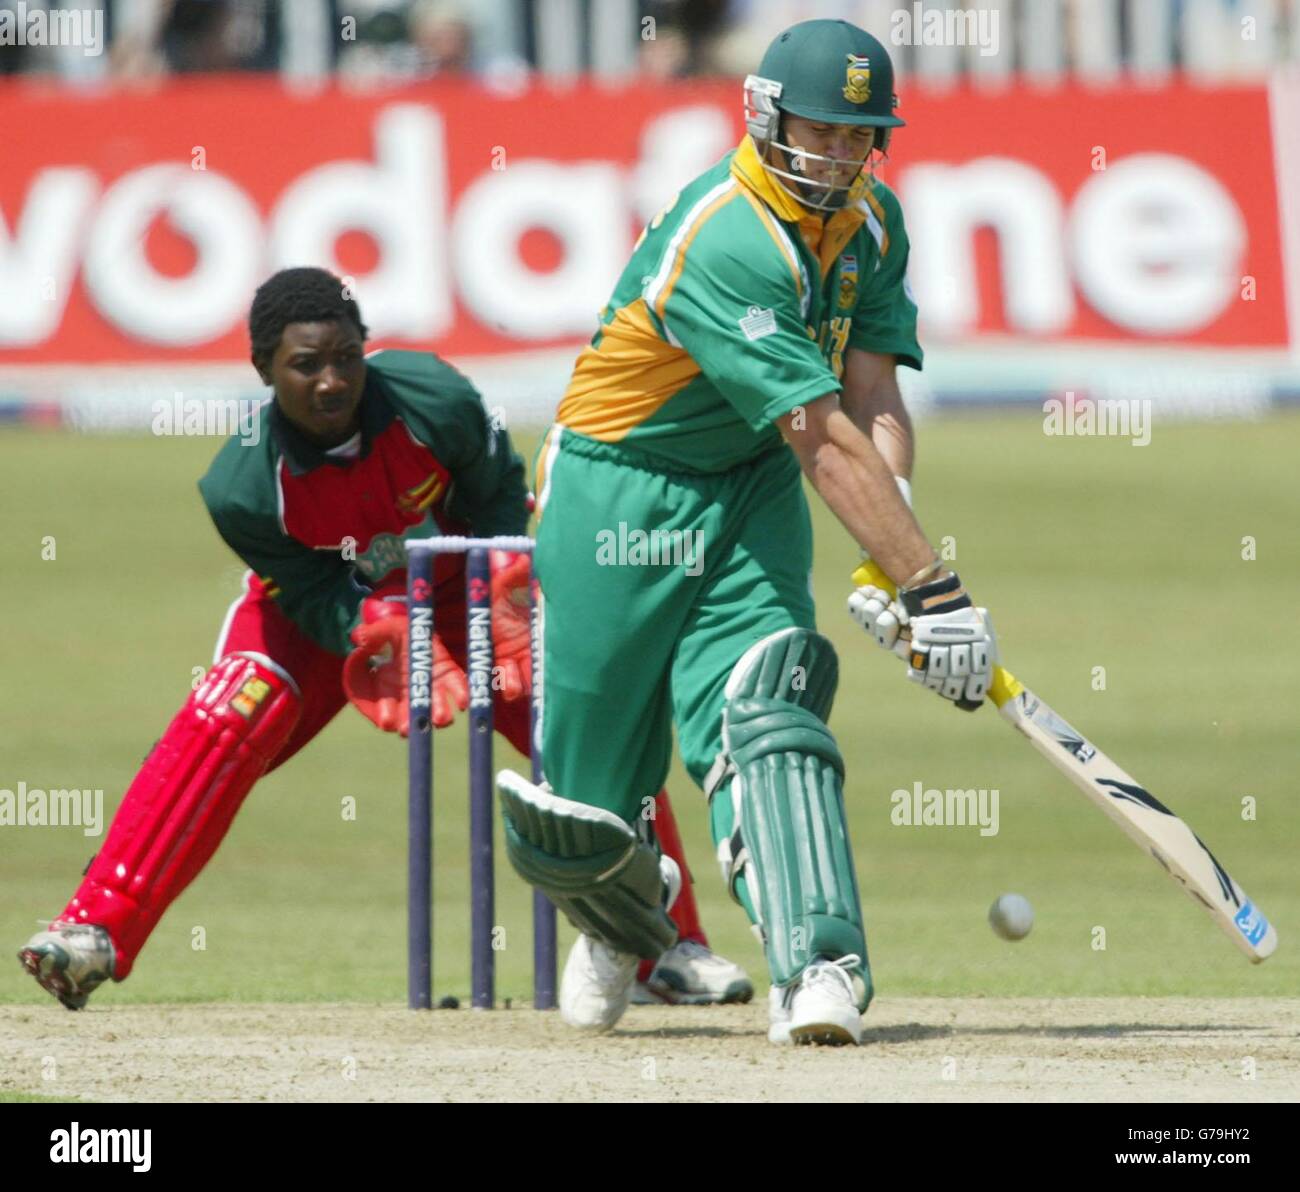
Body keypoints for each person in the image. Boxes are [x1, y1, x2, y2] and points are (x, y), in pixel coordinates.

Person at [17, 267, 750, 1010]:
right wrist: (371, 626)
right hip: (327, 612)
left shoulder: (434, 397)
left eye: (345, 358)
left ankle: (672, 947)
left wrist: (500, 582)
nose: (332, 383)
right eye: (306, 365)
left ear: (367, 349)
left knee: (591, 714)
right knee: (235, 707)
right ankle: (94, 930)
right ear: (265, 370)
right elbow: (305, 588)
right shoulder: (240, 485)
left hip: (462, 587)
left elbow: (499, 490)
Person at [496, 19, 998, 1045]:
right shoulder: (726, 234)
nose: (841, 156)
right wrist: (932, 590)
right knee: (581, 810)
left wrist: (886, 549)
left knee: (766, 705)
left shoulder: (871, 222)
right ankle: (618, 916)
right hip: (616, 488)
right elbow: (819, 435)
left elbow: (871, 395)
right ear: (766, 119)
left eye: (862, 136)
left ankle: (817, 967)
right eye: (822, 132)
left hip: (749, 486)